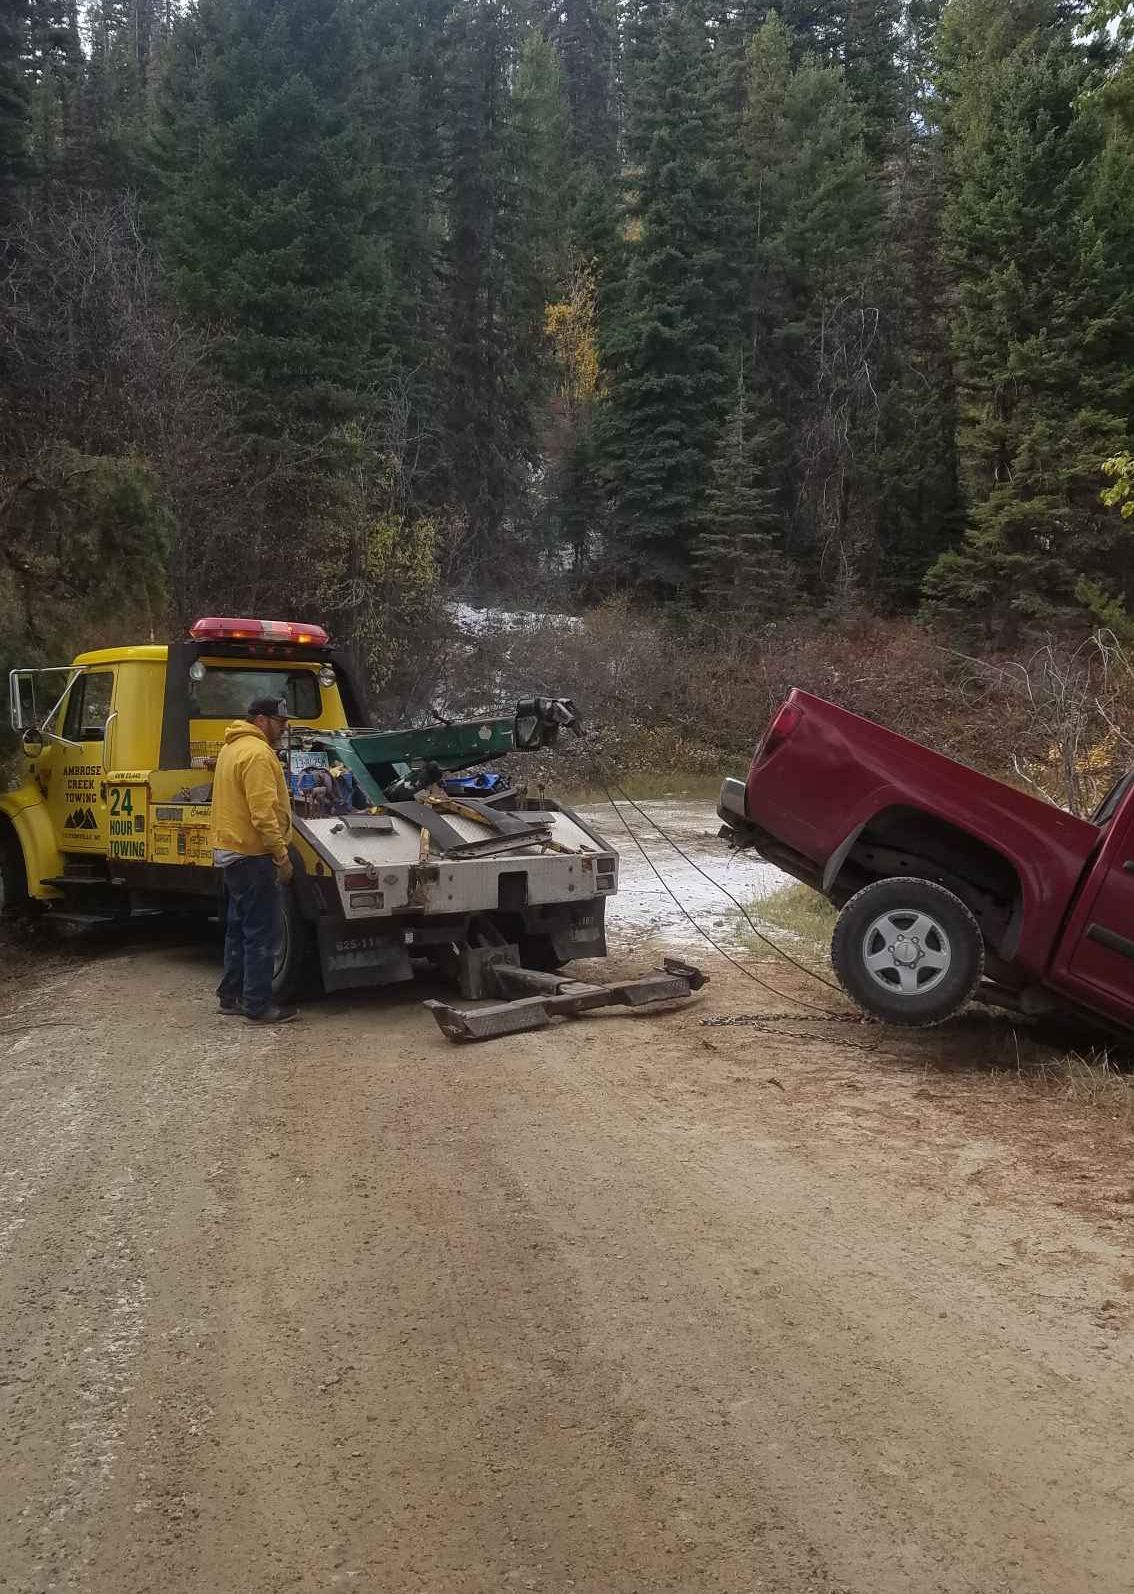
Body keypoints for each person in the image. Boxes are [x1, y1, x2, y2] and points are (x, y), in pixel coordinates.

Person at [209, 695, 300, 1024]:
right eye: (280, 722)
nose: (283, 728)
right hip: (253, 854)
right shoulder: (258, 754)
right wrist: (281, 854)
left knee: (239, 929)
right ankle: (258, 1005)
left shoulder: (231, 748)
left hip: (232, 853)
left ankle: (230, 995)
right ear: (261, 720)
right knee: (264, 932)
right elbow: (263, 814)